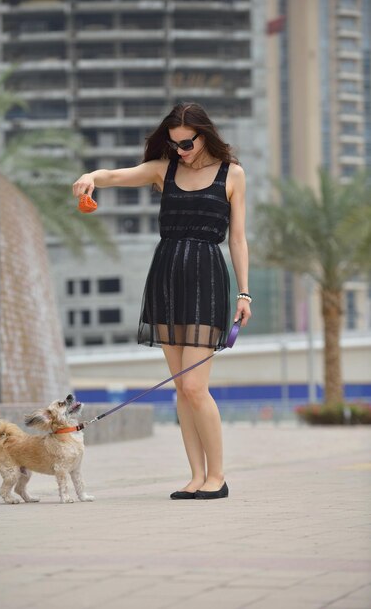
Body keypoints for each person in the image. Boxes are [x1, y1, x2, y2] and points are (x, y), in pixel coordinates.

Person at [72, 102, 251, 500]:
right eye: (174, 144)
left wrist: (244, 292)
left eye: (186, 143)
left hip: (207, 278)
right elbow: (116, 175)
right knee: (179, 388)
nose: (181, 151)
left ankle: (217, 477)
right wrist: (91, 177)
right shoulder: (163, 169)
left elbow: (238, 238)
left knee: (194, 386)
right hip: (166, 277)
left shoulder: (232, 174)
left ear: (204, 134)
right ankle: (195, 476)